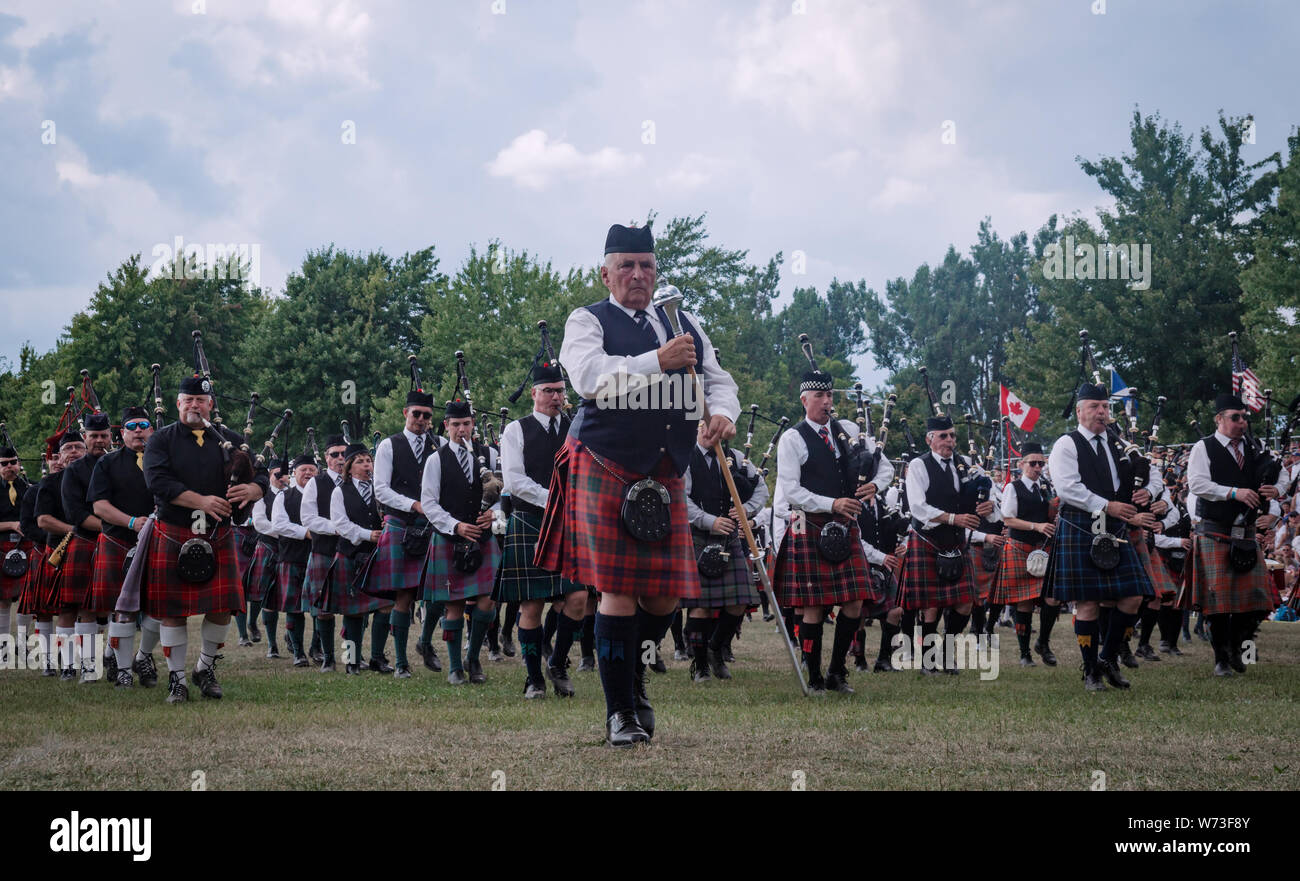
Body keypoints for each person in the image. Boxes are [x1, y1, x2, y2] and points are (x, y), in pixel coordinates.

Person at [535, 222, 739, 746]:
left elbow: (717, 378)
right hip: (606, 462)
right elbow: (588, 379)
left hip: (666, 469)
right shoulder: (587, 320)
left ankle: (634, 675)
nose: (637, 275)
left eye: (646, 265)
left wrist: (722, 413)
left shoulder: (682, 321)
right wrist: (657, 361)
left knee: (665, 598)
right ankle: (620, 712)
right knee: (619, 593)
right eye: (625, 265)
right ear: (605, 273)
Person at [138, 375, 268, 702]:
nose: (194, 405)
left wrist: (254, 489)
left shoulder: (230, 439)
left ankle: (204, 668)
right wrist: (201, 501)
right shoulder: (161, 440)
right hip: (174, 530)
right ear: (178, 404)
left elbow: (262, 472)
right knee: (172, 610)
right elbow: (157, 481)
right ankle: (177, 679)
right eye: (188, 400)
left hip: (217, 532)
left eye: (201, 400)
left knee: (222, 606)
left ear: (210, 405)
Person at [772, 368, 887, 692]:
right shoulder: (793, 438)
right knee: (814, 606)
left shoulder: (847, 430)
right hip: (811, 526)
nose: (826, 402)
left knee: (853, 602)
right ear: (804, 400)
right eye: (820, 396)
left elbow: (885, 464)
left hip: (844, 528)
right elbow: (791, 491)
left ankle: (837, 672)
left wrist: (875, 485)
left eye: (830, 396)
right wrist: (832, 503)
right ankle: (815, 677)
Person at [1044, 383, 1156, 692]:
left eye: (1105, 407)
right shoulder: (1066, 444)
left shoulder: (1118, 443)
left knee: (1133, 595)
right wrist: (1107, 505)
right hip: (1082, 524)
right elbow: (1066, 488)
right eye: (1094, 406)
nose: (1101, 412)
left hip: (1116, 526)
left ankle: (1107, 658)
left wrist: (1149, 490)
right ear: (1079, 411)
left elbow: (1148, 471)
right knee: (1089, 602)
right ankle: (1090, 669)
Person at [492, 359, 589, 699]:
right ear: (533, 393)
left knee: (577, 599)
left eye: (560, 391)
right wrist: (556, 498)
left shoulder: (578, 428)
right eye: (548, 390)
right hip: (530, 521)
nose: (555, 397)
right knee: (531, 606)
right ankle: (533, 678)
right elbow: (515, 481)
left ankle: (558, 663)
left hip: (570, 525)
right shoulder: (516, 430)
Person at [1184, 393, 1288, 676]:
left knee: (1255, 601)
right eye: (1235, 417)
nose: (1242, 422)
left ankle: (1239, 648)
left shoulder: (1256, 446)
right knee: (1218, 603)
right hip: (1215, 531)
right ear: (1219, 420)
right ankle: (1221, 659)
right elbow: (1197, 484)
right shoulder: (1203, 448)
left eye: (1244, 417)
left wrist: (1276, 490)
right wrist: (1233, 492)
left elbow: (1281, 474)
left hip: (1247, 533)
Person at [897, 415, 993, 674]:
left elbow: (989, 499)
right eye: (943, 436)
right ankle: (928, 661)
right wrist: (954, 518)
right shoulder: (918, 465)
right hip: (928, 539)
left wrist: (988, 505)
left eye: (952, 435)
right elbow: (917, 506)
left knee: (965, 602)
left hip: (957, 541)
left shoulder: (967, 465)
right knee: (931, 605)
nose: (950, 440)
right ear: (930, 439)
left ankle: (948, 655)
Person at [419, 398, 503, 685]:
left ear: (473, 425)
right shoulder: (436, 459)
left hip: (484, 535)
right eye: (455, 425)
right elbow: (428, 503)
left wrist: (495, 513)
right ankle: (455, 666)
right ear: (446, 426)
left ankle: (474, 658)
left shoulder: (488, 455)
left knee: (487, 601)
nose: (462, 430)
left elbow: (505, 493)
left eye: (466, 424)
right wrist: (456, 526)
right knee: (453, 604)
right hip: (450, 537)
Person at [682, 417, 768, 682]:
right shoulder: (684, 458)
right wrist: (709, 521)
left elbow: (761, 490)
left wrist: (746, 511)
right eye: (705, 427)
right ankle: (700, 666)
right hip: (697, 536)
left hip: (729, 537)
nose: (710, 432)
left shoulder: (737, 458)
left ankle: (715, 648)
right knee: (701, 607)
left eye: (715, 427)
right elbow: (680, 498)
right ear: (698, 428)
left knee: (740, 602)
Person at [87, 406, 158, 687]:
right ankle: (124, 670)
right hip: (119, 540)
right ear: (122, 433)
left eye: (143, 424)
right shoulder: (108, 464)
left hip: (156, 541)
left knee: (158, 608)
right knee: (122, 609)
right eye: (131, 426)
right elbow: (99, 506)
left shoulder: (163, 461)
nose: (138, 430)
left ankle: (143, 657)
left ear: (152, 430)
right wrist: (132, 522)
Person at [370, 389, 438, 678]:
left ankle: (425, 641)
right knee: (404, 596)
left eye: (427, 416)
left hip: (434, 525)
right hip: (401, 523)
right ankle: (400, 662)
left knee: (438, 592)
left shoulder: (440, 445)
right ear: (405, 413)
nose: (421, 420)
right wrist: (414, 504)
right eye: (416, 414)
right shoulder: (389, 445)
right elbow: (381, 489)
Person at [991, 443, 1058, 666]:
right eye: (1033, 463)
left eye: (1041, 463)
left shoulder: (1045, 488)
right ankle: (1024, 653)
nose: (1037, 467)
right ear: (1021, 465)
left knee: (1053, 597)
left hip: (1042, 549)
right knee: (1025, 603)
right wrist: (1037, 527)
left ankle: (1043, 642)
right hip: (1019, 546)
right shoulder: (1013, 487)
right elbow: (1008, 519)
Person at [325, 443, 389, 675]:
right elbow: (340, 523)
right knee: (354, 612)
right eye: (360, 461)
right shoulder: (339, 491)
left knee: (385, 607)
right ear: (350, 468)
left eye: (368, 461)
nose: (366, 465)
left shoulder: (380, 489)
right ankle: (351, 662)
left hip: (377, 556)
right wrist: (367, 534)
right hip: (351, 555)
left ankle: (378, 658)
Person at [59, 412, 113, 682]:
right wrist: (111, 527)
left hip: (119, 542)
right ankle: (89, 668)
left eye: (104, 435)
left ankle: (118, 664)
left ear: (110, 437)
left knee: (120, 606)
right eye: (94, 436)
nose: (99, 441)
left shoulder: (119, 464)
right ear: (86, 438)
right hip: (87, 543)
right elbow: (74, 512)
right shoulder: (74, 471)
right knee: (86, 607)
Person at [36, 432, 86, 679]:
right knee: (67, 609)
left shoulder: (95, 477)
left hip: (93, 548)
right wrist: (76, 529)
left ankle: (92, 662)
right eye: (69, 448)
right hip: (61, 551)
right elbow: (43, 520)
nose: (74, 451)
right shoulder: (50, 483)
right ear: (60, 455)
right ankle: (67, 665)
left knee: (94, 609)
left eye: (79, 447)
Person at [302, 435, 348, 672]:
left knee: (354, 607)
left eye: (343, 453)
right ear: (327, 459)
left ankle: (351, 657)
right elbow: (308, 518)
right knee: (324, 610)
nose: (340, 459)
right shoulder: (316, 483)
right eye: (334, 454)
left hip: (352, 551)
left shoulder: (358, 481)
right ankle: (328, 657)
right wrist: (337, 528)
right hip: (325, 550)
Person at [272, 453, 318, 667]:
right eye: (303, 470)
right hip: (291, 557)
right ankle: (298, 652)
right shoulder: (284, 496)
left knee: (320, 607)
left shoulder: (324, 494)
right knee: (294, 607)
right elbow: (279, 525)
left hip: (318, 556)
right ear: (294, 474)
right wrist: (306, 532)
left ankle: (317, 648)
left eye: (312, 469)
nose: (308, 473)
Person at [0, 446, 33, 662]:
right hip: (1, 547)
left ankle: (22, 644)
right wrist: (12, 524)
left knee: (26, 598)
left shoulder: (30, 489)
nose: (10, 466)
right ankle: (3, 646)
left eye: (13, 462)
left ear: (19, 463)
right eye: (4, 463)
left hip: (26, 546)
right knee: (2, 600)